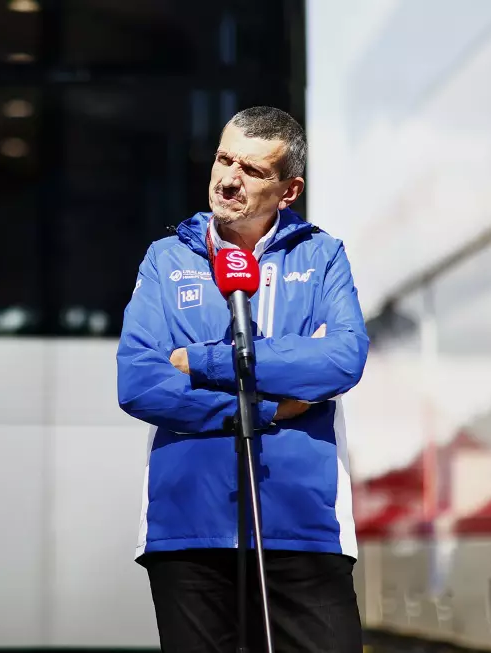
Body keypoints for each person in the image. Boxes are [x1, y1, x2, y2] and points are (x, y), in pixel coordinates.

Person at [116, 106, 368, 653]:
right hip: (188, 526)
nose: (228, 179)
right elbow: (139, 381)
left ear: (289, 189)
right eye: (224, 159)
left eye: (252, 170)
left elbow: (342, 359)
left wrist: (205, 363)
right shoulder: (166, 259)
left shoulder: (322, 256)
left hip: (305, 527)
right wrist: (270, 407)